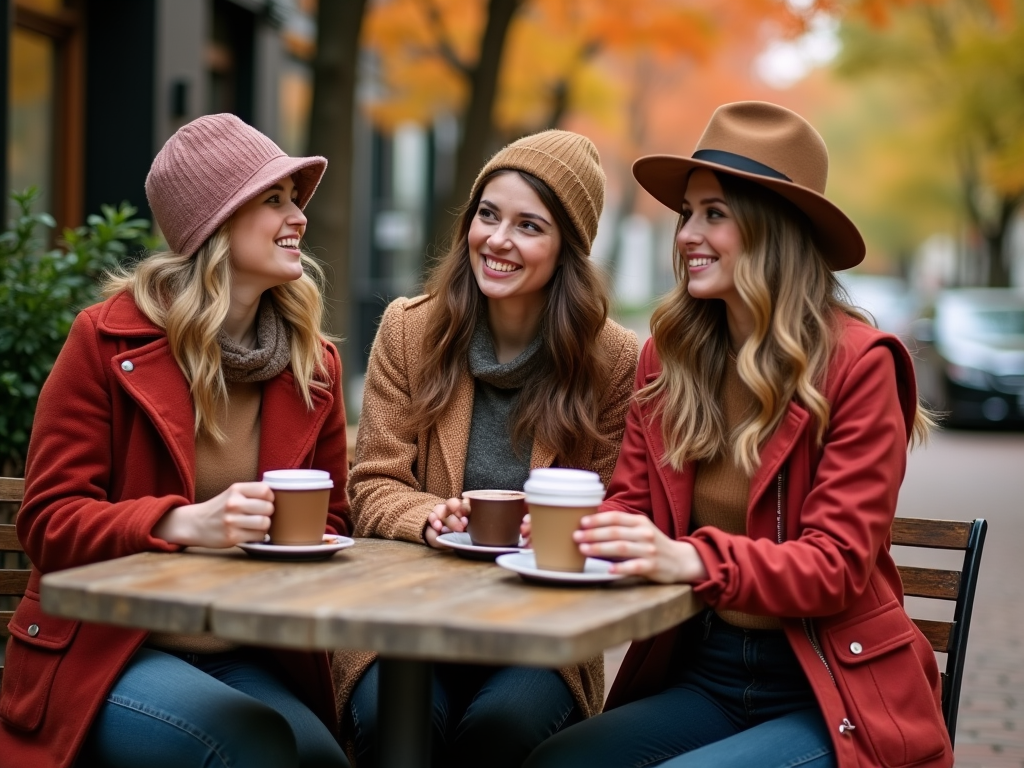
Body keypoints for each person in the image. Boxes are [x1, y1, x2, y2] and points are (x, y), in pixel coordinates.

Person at [524, 101, 952, 768]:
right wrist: (573, 529)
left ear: (771, 228)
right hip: (707, 673)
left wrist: (693, 558)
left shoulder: (861, 364)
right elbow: (633, 506)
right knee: (557, 762)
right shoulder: (671, 357)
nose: (687, 233)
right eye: (687, 213)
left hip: (831, 689)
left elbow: (835, 565)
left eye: (714, 213)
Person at [0, 114, 351, 768]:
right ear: (215, 222)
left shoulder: (314, 364)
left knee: (326, 758)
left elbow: (330, 519)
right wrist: (182, 521)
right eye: (272, 199)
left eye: (294, 198)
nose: (297, 215)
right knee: (253, 747)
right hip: (109, 651)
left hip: (244, 650)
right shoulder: (104, 343)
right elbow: (47, 522)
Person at [334, 130, 639, 768]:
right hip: (412, 620)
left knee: (499, 729)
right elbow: (371, 483)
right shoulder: (410, 329)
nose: (497, 240)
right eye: (488, 215)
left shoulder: (612, 361)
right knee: (394, 723)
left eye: (529, 226)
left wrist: (552, 530)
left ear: (566, 250)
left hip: (542, 631)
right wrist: (427, 516)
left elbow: (615, 505)